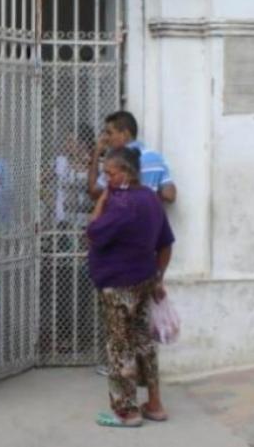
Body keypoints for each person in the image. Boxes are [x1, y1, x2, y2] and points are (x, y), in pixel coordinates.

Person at [87, 147, 173, 428]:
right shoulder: (150, 198)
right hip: (145, 279)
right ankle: (155, 404)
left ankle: (126, 411)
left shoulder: (120, 203)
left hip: (118, 284)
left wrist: (102, 200)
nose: (105, 179)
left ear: (125, 173)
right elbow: (165, 243)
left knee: (119, 345)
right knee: (143, 342)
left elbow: (93, 232)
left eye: (109, 173)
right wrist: (159, 278)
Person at [88, 111, 175, 204]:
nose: (105, 138)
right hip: (149, 217)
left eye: (109, 133)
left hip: (123, 217)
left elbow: (94, 192)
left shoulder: (116, 161)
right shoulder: (156, 158)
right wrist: (148, 197)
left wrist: (96, 153)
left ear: (124, 134)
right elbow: (169, 195)